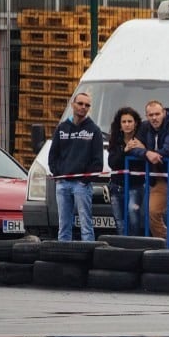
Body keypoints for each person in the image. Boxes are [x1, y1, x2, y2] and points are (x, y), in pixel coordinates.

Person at [48, 92, 104, 241]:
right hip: (63, 183)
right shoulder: (62, 128)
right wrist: (58, 174)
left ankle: (88, 257)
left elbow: (98, 162)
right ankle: (64, 258)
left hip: (82, 186)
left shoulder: (94, 130)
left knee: (86, 225)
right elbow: (52, 155)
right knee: (64, 226)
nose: (83, 107)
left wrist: (84, 180)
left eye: (87, 105)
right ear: (73, 104)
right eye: (80, 104)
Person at [135, 100, 169, 246]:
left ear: (163, 113)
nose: (154, 118)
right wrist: (147, 153)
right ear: (146, 116)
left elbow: (168, 150)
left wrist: (149, 153)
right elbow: (132, 147)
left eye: (157, 114)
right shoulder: (144, 126)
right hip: (160, 178)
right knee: (152, 213)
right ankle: (167, 245)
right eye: (151, 115)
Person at [107, 107, 146, 235]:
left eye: (130, 121)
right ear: (120, 125)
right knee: (120, 222)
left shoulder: (141, 140)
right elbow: (112, 163)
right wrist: (125, 151)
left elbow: (145, 162)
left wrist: (143, 149)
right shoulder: (115, 141)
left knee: (133, 215)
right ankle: (123, 249)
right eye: (124, 122)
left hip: (135, 186)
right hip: (116, 186)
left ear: (135, 124)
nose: (127, 124)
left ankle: (134, 244)